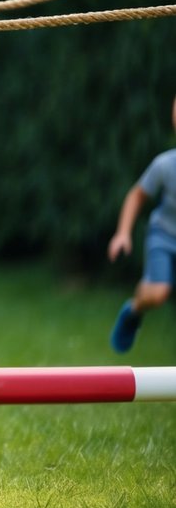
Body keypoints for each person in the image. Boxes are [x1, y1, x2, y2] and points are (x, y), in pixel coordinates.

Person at [107, 94, 176, 353]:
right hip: (165, 235)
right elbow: (137, 195)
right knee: (158, 294)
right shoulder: (165, 165)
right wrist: (122, 234)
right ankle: (134, 309)